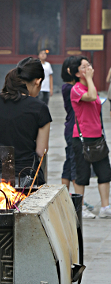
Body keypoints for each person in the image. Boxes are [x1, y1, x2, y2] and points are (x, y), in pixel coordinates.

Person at [0, 57, 51, 186]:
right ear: (38, 81)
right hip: (26, 179)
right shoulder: (40, 108)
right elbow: (41, 150)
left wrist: (0, 151)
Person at [70, 56, 111, 219]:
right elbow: (92, 96)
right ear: (78, 73)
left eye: (89, 65)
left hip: (97, 137)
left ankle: (105, 206)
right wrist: (89, 79)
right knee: (82, 174)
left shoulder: (90, 86)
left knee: (105, 173)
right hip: (81, 138)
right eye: (84, 67)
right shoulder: (77, 89)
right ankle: (79, 208)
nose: (89, 68)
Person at [61, 56, 77, 191]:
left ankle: (66, 195)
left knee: (69, 162)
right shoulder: (70, 88)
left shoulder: (71, 87)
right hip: (73, 129)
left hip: (71, 127)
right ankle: (79, 201)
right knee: (75, 164)